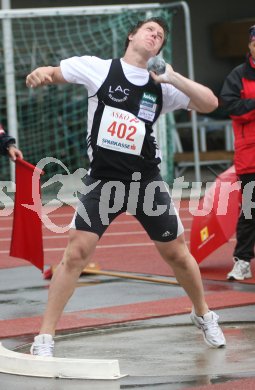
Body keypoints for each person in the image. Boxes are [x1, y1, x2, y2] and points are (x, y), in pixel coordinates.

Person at [26, 17, 226, 357]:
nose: (155, 36)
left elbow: (210, 104)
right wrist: (42, 72)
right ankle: (45, 336)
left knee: (176, 253)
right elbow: (56, 72)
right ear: (132, 35)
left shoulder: (162, 85)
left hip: (145, 182)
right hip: (103, 181)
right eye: (150, 30)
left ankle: (203, 313)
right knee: (75, 254)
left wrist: (173, 76)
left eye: (160, 36)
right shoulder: (99, 69)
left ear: (160, 49)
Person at [220, 25, 255, 281]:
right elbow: (232, 107)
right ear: (250, 45)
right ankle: (242, 260)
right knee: (250, 209)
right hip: (250, 155)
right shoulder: (238, 75)